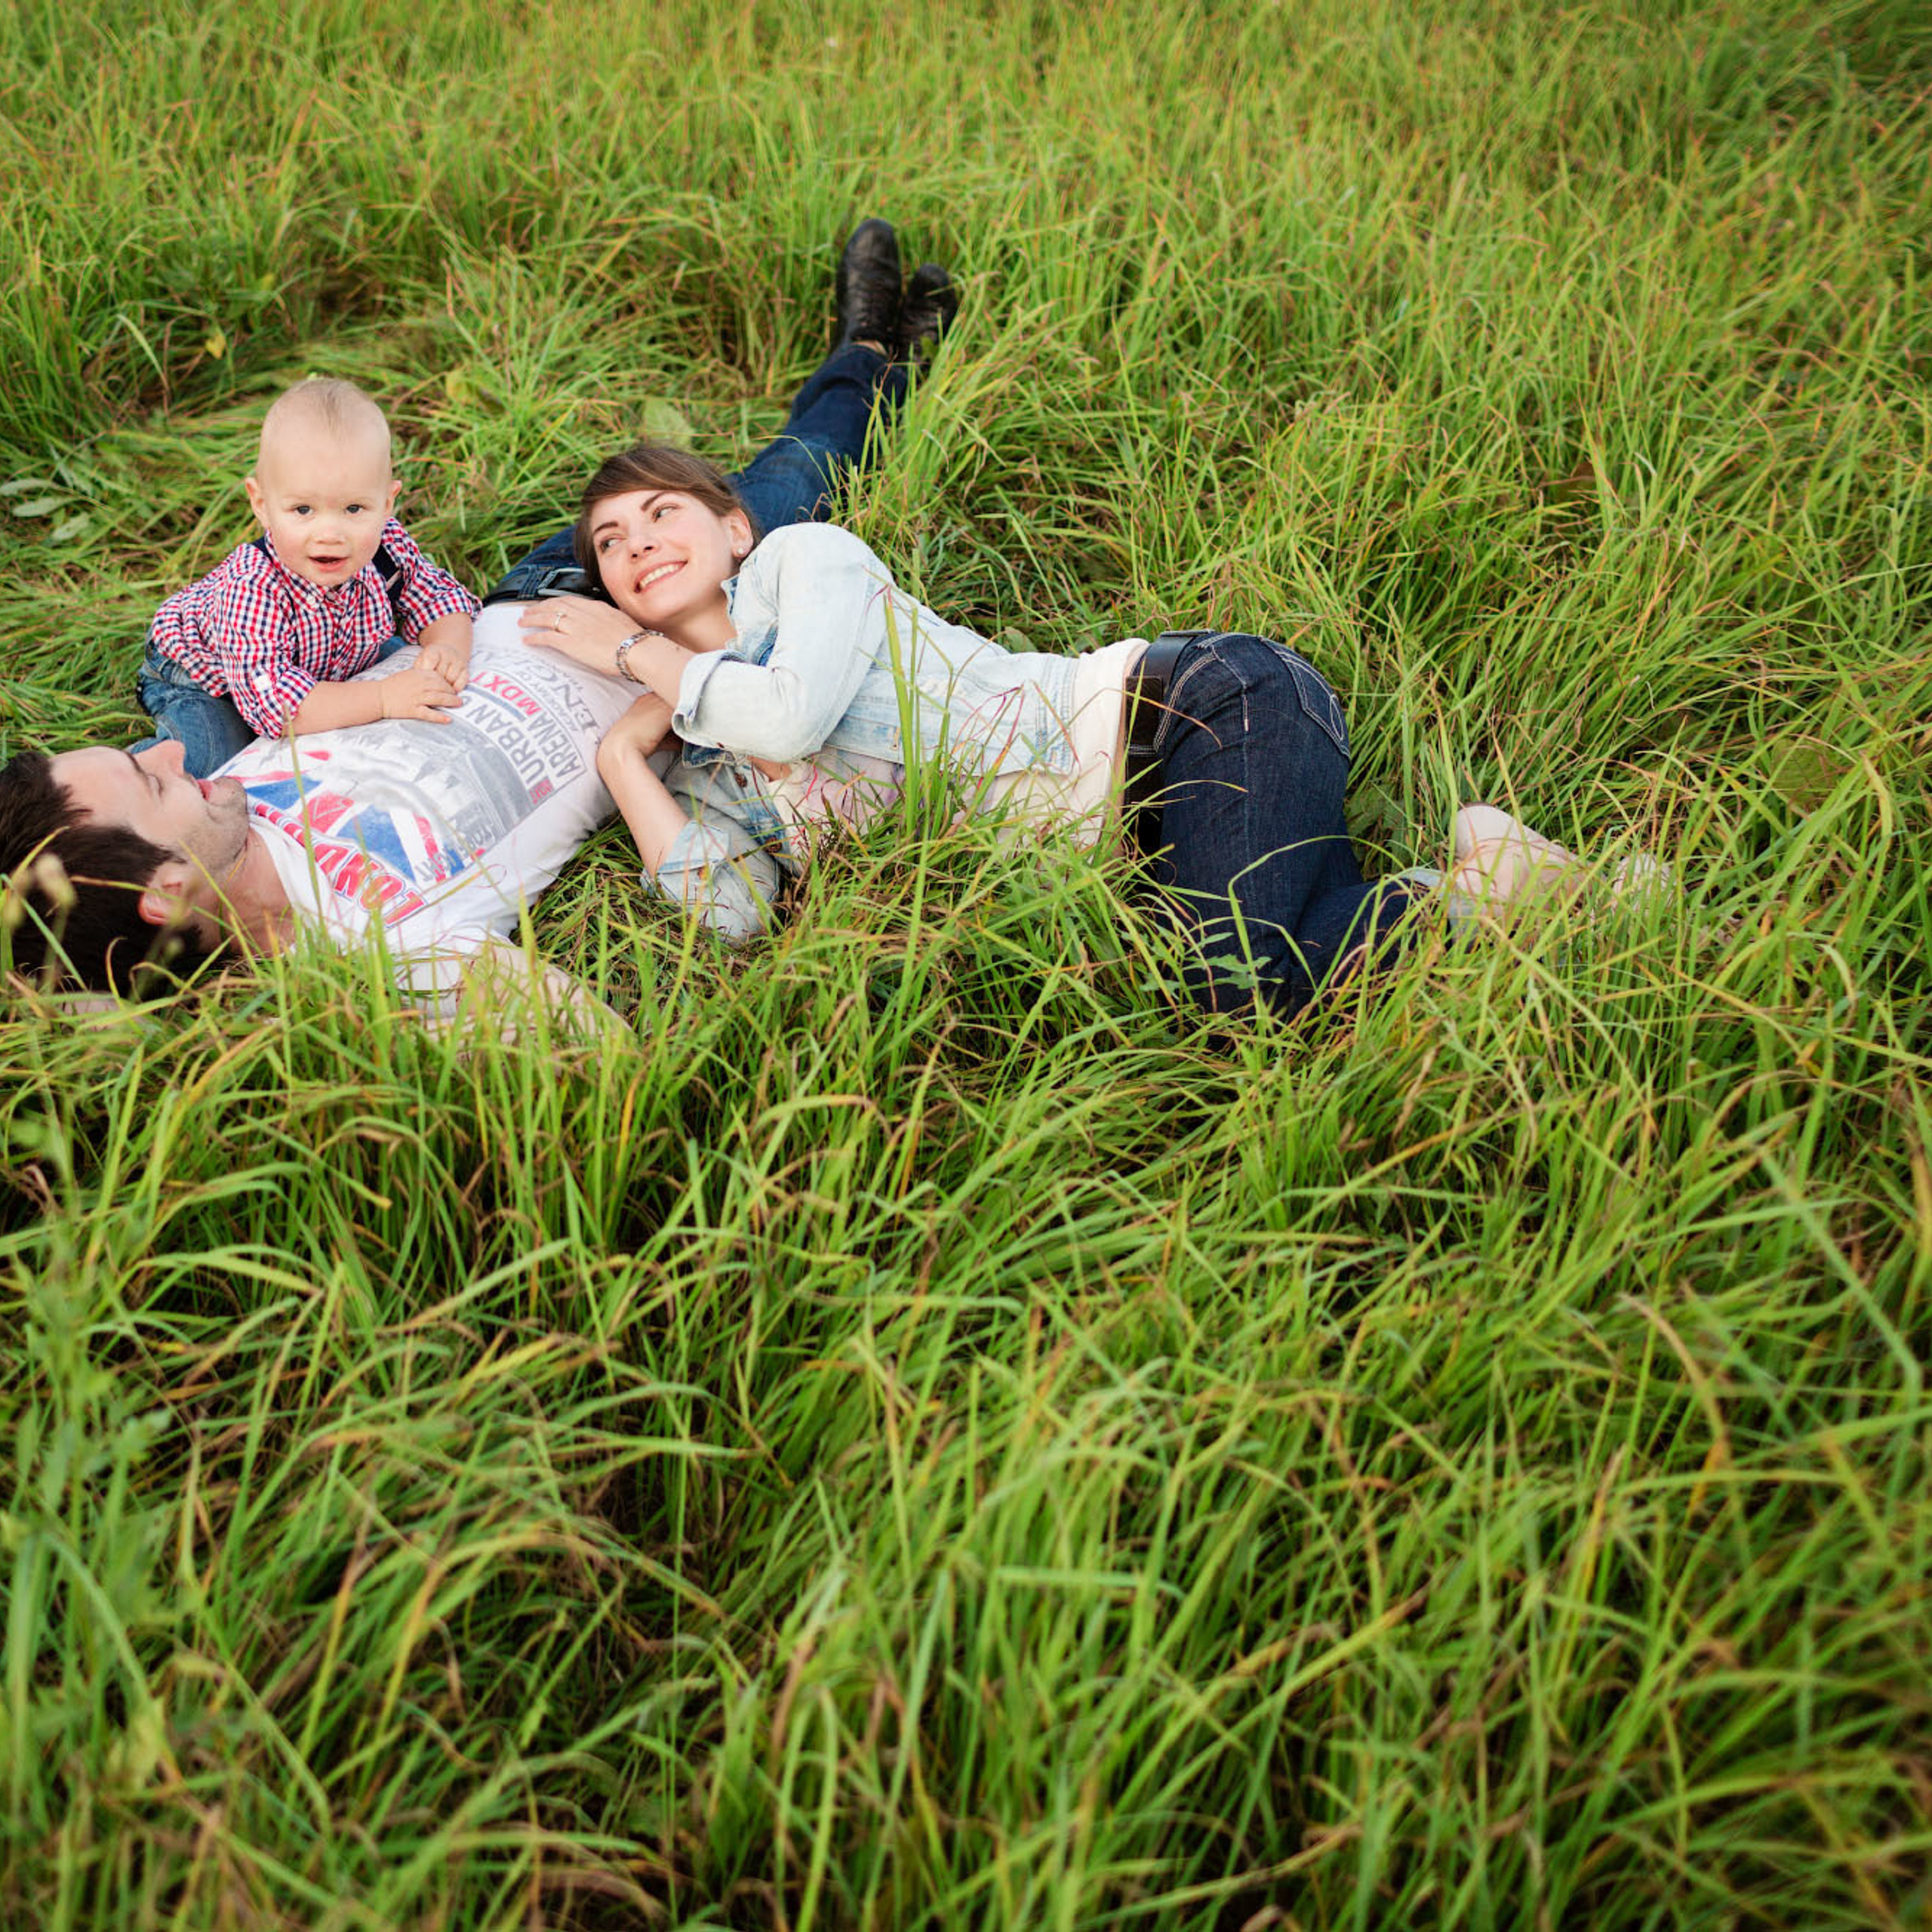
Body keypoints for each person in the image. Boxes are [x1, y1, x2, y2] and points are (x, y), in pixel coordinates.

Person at [0, 220, 949, 998]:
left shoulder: (210, 791)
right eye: (152, 778)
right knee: (792, 479)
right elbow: (589, 1042)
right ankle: (879, 351)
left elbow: (64, 907)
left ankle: (867, 348)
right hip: (676, 646)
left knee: (725, 495)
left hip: (533, 598)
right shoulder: (384, 956)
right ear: (169, 892)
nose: (174, 753)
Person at [520, 454, 1635, 1017]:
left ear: (734, 527)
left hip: (1199, 714)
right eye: (610, 542)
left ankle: (1504, 890)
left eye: (662, 513)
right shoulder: (705, 761)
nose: (638, 543)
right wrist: (625, 756)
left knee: (1238, 991)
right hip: (1142, 852)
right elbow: (734, 915)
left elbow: (794, 711)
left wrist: (644, 658)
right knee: (1254, 984)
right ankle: (1493, 881)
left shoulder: (803, 565)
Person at [137, 377, 479, 777]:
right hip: (206, 678)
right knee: (214, 757)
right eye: (303, 510)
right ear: (262, 504)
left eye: (354, 509)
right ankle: (119, 784)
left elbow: (438, 597)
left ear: (387, 502)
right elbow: (275, 706)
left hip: (327, 658)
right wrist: (382, 697)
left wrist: (448, 647)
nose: (330, 533)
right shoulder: (253, 588)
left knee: (411, 669)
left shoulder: (386, 548)